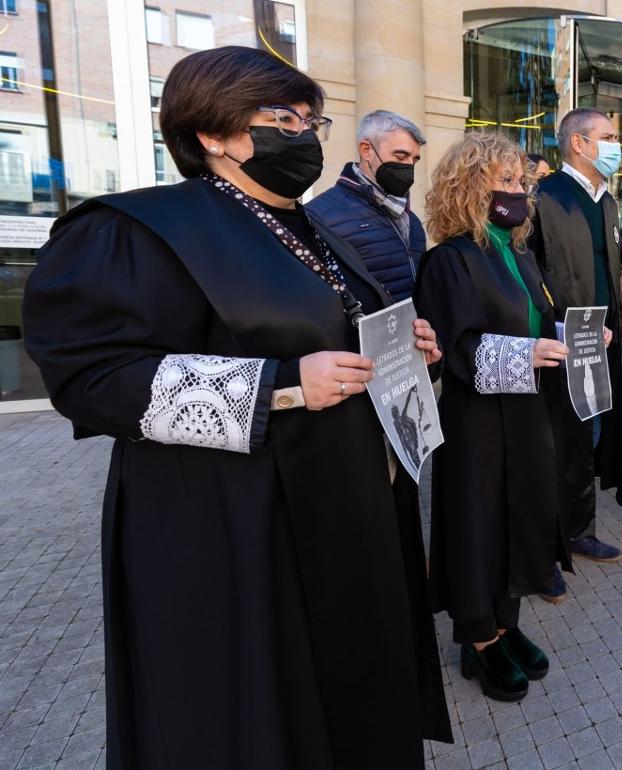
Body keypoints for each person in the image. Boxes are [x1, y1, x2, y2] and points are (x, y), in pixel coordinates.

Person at [20, 46, 451, 768]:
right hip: (235, 522)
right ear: (212, 133)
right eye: (284, 119)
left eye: (312, 120)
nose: (306, 136)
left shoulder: (319, 229)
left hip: (347, 505)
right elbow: (93, 378)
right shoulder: (138, 229)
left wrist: (404, 345)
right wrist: (280, 384)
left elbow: (338, 332)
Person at [416, 131, 572, 702]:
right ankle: (477, 639)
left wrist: (573, 337)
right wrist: (527, 353)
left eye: (521, 181)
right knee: (478, 522)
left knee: (522, 514)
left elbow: (534, 323)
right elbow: (457, 349)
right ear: (469, 187)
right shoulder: (449, 260)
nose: (519, 191)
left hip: (528, 411)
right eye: (505, 180)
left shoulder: (521, 252)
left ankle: (506, 623)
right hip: (477, 420)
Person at [527, 108, 622, 601]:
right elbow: (531, 270)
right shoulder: (544, 197)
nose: (616, 145)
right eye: (608, 136)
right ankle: (544, 548)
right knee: (555, 441)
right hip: (559, 340)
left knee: (587, 435)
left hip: (602, 340)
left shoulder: (607, 201)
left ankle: (580, 529)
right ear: (578, 144)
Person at [306, 110, 427, 301]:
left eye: (414, 159)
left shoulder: (412, 221)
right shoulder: (320, 217)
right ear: (366, 150)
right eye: (401, 156)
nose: (409, 166)